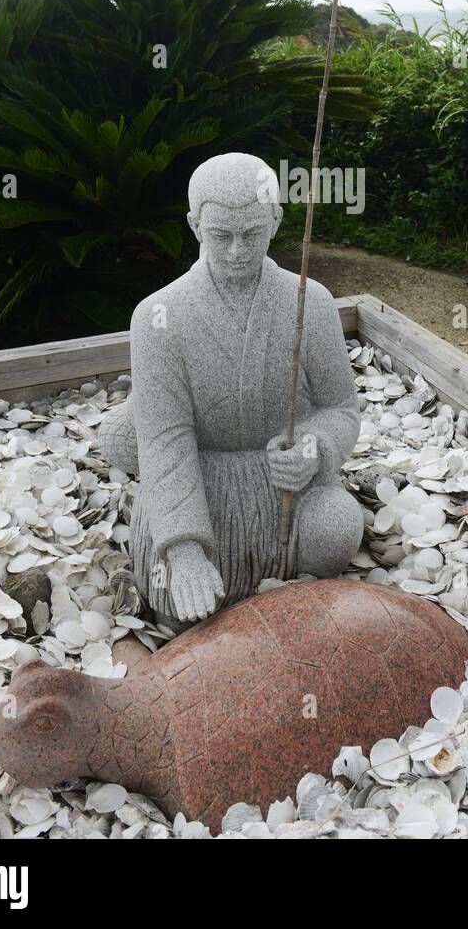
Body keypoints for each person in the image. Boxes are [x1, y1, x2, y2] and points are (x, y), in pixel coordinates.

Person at [97, 152, 364, 630]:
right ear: (195, 225)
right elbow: (167, 440)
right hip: (200, 473)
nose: (239, 250)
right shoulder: (158, 316)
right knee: (174, 602)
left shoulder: (312, 303)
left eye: (253, 234)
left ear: (276, 221)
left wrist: (312, 448)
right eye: (222, 235)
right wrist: (183, 549)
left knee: (338, 531)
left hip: (284, 484)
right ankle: (131, 444)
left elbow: (340, 407)